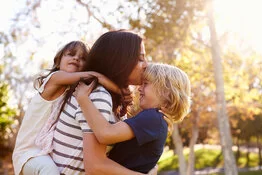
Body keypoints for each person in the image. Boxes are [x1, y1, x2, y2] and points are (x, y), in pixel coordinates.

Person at [50, 29, 158, 175]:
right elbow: (95, 166)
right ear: (120, 60)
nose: (146, 65)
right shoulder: (98, 95)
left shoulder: (110, 98)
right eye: (140, 59)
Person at [12, 40, 120, 175]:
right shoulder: (54, 79)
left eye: (82, 58)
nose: (76, 58)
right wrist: (120, 90)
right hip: (29, 153)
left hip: (45, 153)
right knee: (49, 170)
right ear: (58, 62)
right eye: (71, 54)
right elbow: (92, 77)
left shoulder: (73, 91)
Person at [74, 63, 192, 173]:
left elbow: (105, 134)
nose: (139, 88)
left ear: (166, 92)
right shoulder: (157, 119)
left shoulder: (153, 118)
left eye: (146, 83)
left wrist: (83, 98)